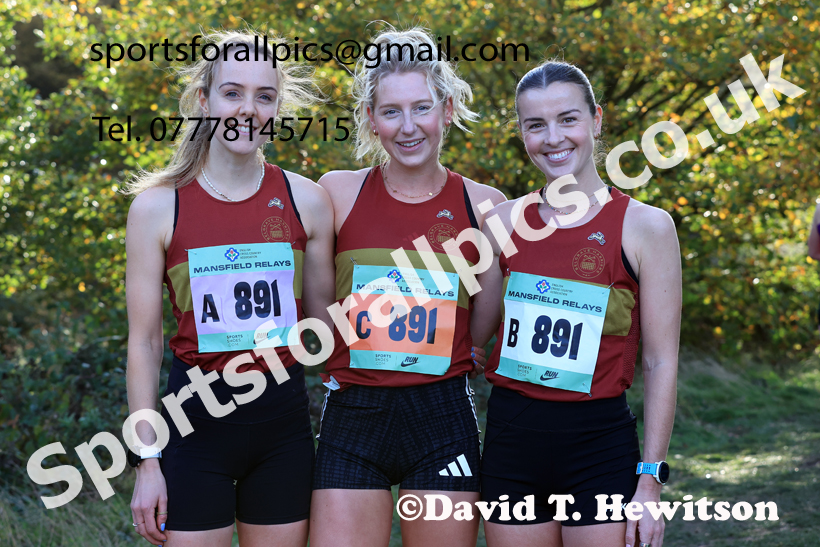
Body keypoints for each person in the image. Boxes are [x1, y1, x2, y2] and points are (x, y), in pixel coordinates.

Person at [124, 30, 334, 547]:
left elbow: (328, 331)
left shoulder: (307, 201)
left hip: (282, 427)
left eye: (264, 96)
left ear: (278, 108)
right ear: (204, 101)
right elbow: (145, 343)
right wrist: (146, 461)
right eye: (232, 92)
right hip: (194, 428)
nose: (247, 109)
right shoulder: (156, 207)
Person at [309, 26, 505, 547]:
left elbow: (489, 309)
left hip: (442, 417)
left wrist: (467, 347)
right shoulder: (336, 193)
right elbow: (318, 303)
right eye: (391, 111)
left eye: (421, 108)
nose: (408, 126)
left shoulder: (485, 205)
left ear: (445, 108)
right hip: (353, 412)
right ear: (371, 120)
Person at [471, 61, 681, 547]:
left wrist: (649, 481)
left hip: (599, 445)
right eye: (535, 125)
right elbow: (472, 339)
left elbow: (660, 359)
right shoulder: (500, 222)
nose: (553, 138)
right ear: (522, 133)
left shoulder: (647, 227)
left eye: (568, 119)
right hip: (511, 440)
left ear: (596, 120)